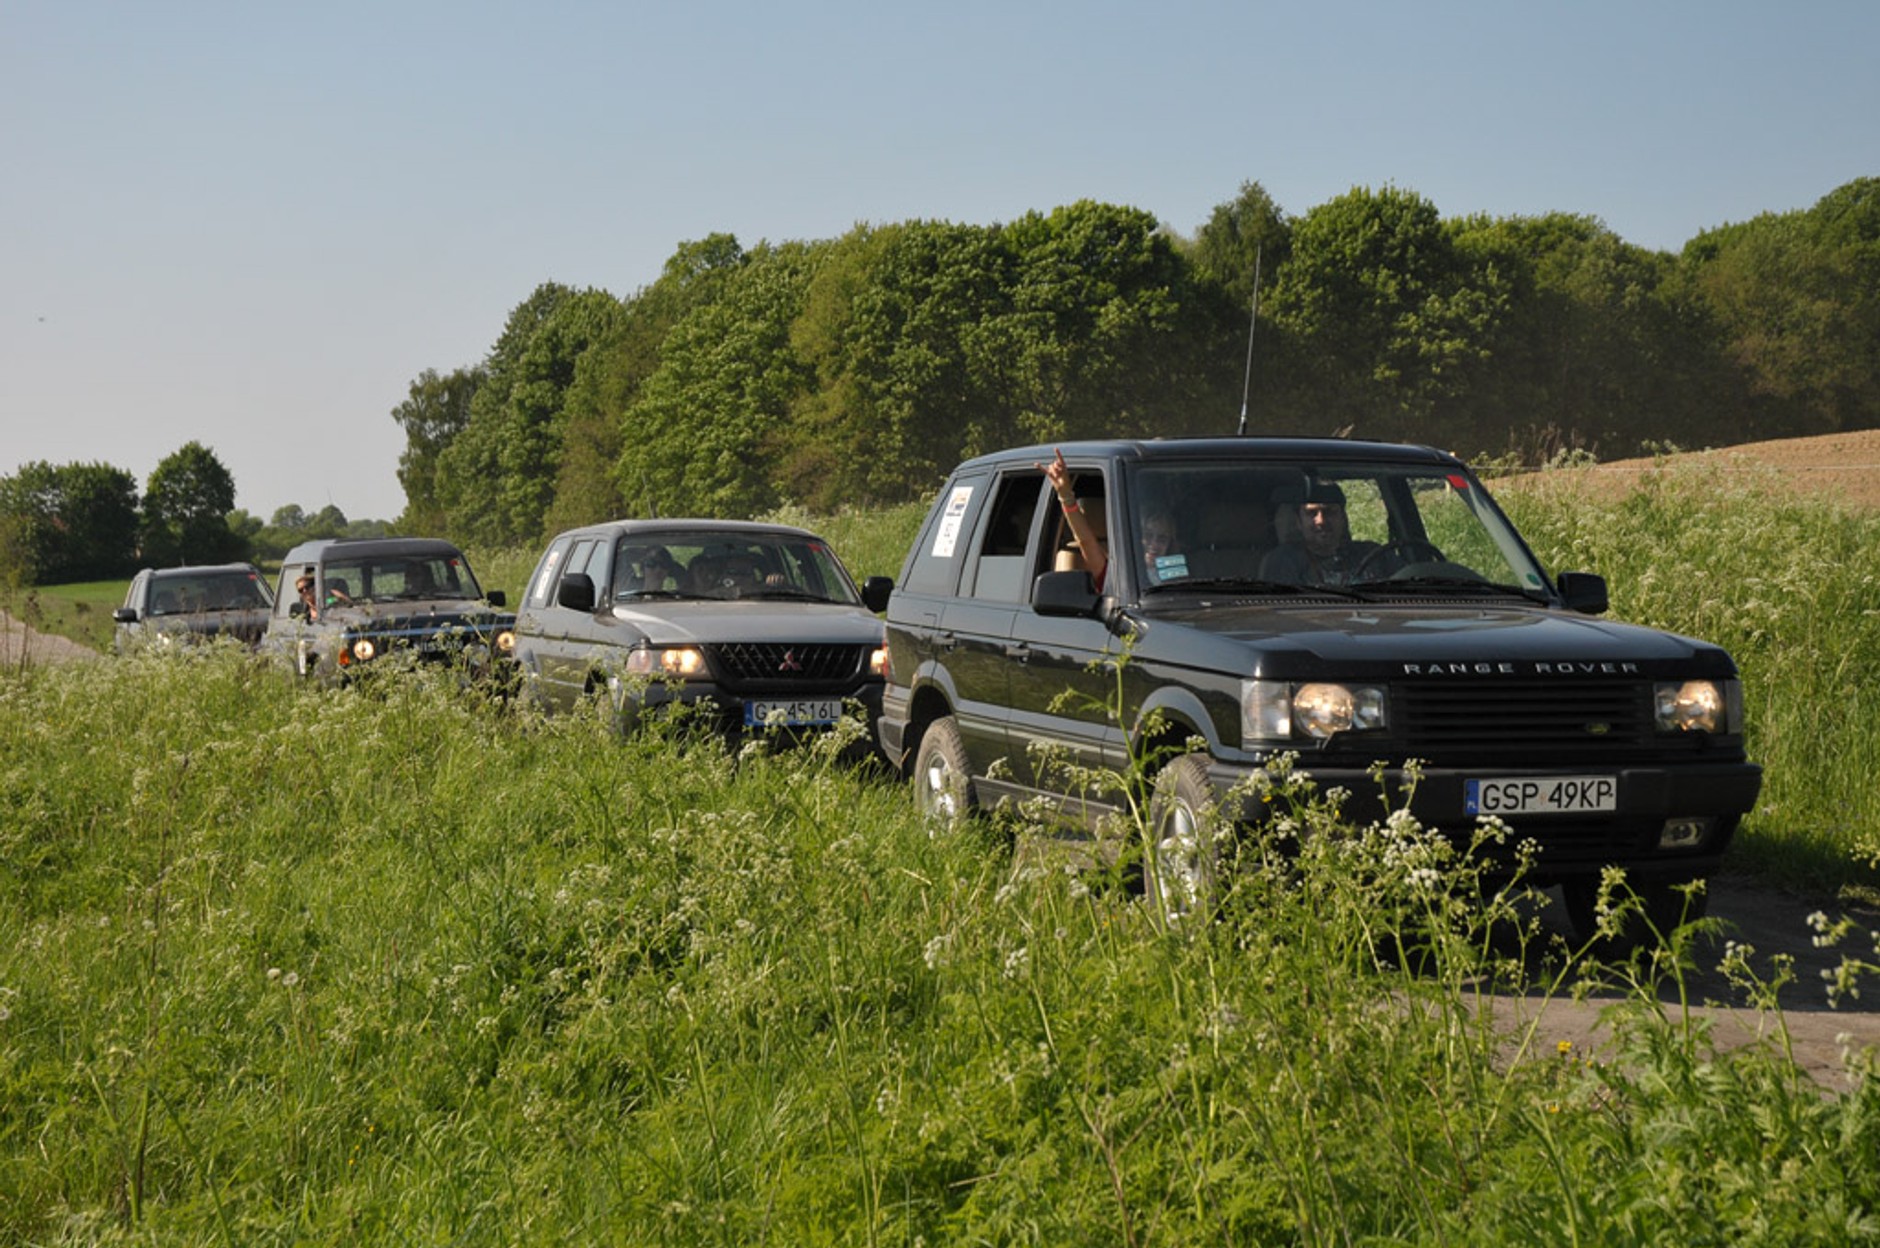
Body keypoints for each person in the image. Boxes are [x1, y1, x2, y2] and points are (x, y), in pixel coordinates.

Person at [1260, 482, 1378, 585]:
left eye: (1329, 512)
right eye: (1311, 513)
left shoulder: (1373, 556)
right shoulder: (1283, 562)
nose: (1321, 520)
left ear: (1343, 517)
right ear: (1298, 522)